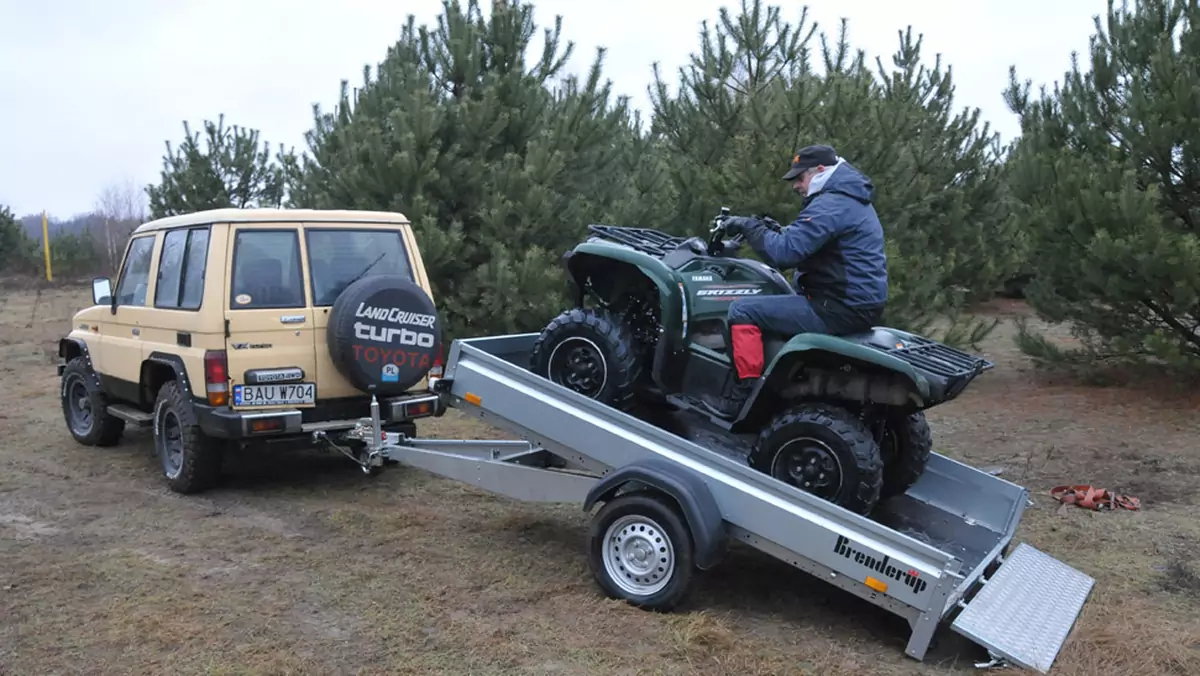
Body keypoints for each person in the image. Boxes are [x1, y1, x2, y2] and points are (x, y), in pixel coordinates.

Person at [699, 144, 889, 420]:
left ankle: (743, 396)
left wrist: (749, 226)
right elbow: (811, 242)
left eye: (800, 178)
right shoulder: (849, 197)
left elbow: (784, 254)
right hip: (854, 302)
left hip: (837, 306)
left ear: (820, 171)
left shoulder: (832, 203)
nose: (796, 185)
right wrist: (775, 230)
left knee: (742, 311)